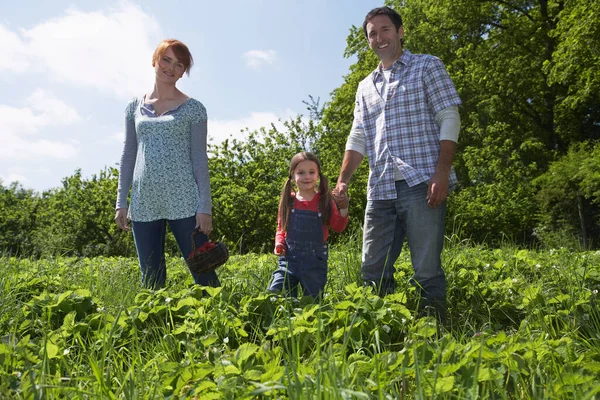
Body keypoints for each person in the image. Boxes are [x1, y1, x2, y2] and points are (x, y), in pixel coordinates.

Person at [333, 7, 461, 319]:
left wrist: (441, 172)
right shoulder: (365, 86)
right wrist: (343, 181)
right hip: (380, 190)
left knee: (427, 269)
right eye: (372, 34)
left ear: (400, 31)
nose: (379, 38)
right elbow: (358, 137)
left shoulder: (427, 66)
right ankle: (383, 331)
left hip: (422, 184)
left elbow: (449, 117)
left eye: (385, 29)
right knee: (372, 270)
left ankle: (435, 334)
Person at [115, 38, 220, 290]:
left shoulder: (194, 109)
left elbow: (199, 158)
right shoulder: (134, 107)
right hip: (144, 201)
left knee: (204, 274)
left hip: (185, 201)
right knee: (151, 279)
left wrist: (204, 206)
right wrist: (121, 202)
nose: (171, 67)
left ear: (184, 72)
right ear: (155, 60)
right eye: (166, 59)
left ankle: (218, 324)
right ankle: (154, 328)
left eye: (179, 64)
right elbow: (129, 154)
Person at [268, 152, 349, 300]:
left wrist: (343, 208)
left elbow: (338, 227)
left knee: (312, 301)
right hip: (289, 259)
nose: (307, 176)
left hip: (315, 262)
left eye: (312, 172)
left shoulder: (324, 200)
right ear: (292, 176)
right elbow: (281, 228)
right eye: (301, 172)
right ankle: (280, 320)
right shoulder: (288, 201)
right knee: (276, 293)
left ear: (318, 175)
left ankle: (309, 321)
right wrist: (279, 243)